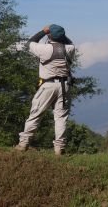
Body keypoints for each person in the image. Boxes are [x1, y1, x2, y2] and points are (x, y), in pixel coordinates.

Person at [15, 24, 75, 156]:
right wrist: (60, 34)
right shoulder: (70, 48)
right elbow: (69, 42)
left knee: (36, 114)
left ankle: (23, 143)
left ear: (49, 36)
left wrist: (43, 31)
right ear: (63, 36)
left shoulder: (44, 49)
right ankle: (59, 149)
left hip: (47, 86)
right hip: (64, 86)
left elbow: (30, 43)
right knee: (61, 118)